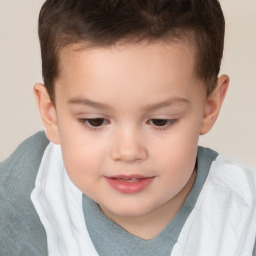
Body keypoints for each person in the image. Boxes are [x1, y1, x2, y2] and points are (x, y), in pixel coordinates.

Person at [0, 0, 255, 255]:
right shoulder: (23, 191)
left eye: (160, 121)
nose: (128, 151)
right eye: (95, 121)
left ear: (209, 107)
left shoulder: (244, 220)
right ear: (51, 113)